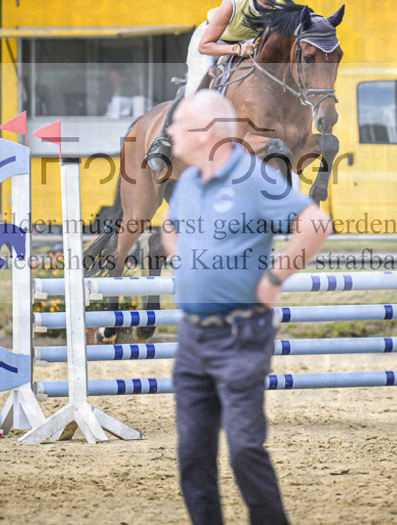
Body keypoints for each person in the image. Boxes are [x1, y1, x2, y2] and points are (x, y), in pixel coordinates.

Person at [161, 90, 332, 525]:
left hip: (240, 335)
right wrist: (183, 259)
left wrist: (275, 278)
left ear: (205, 133)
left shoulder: (252, 179)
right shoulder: (187, 183)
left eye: (178, 124)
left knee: (243, 451)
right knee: (192, 456)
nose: (170, 133)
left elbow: (315, 223)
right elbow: (169, 224)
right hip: (193, 337)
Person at [145, 0, 288, 172]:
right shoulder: (233, 4)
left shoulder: (277, 10)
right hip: (211, 42)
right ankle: (163, 140)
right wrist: (237, 50)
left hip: (244, 47)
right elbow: (205, 46)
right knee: (194, 91)